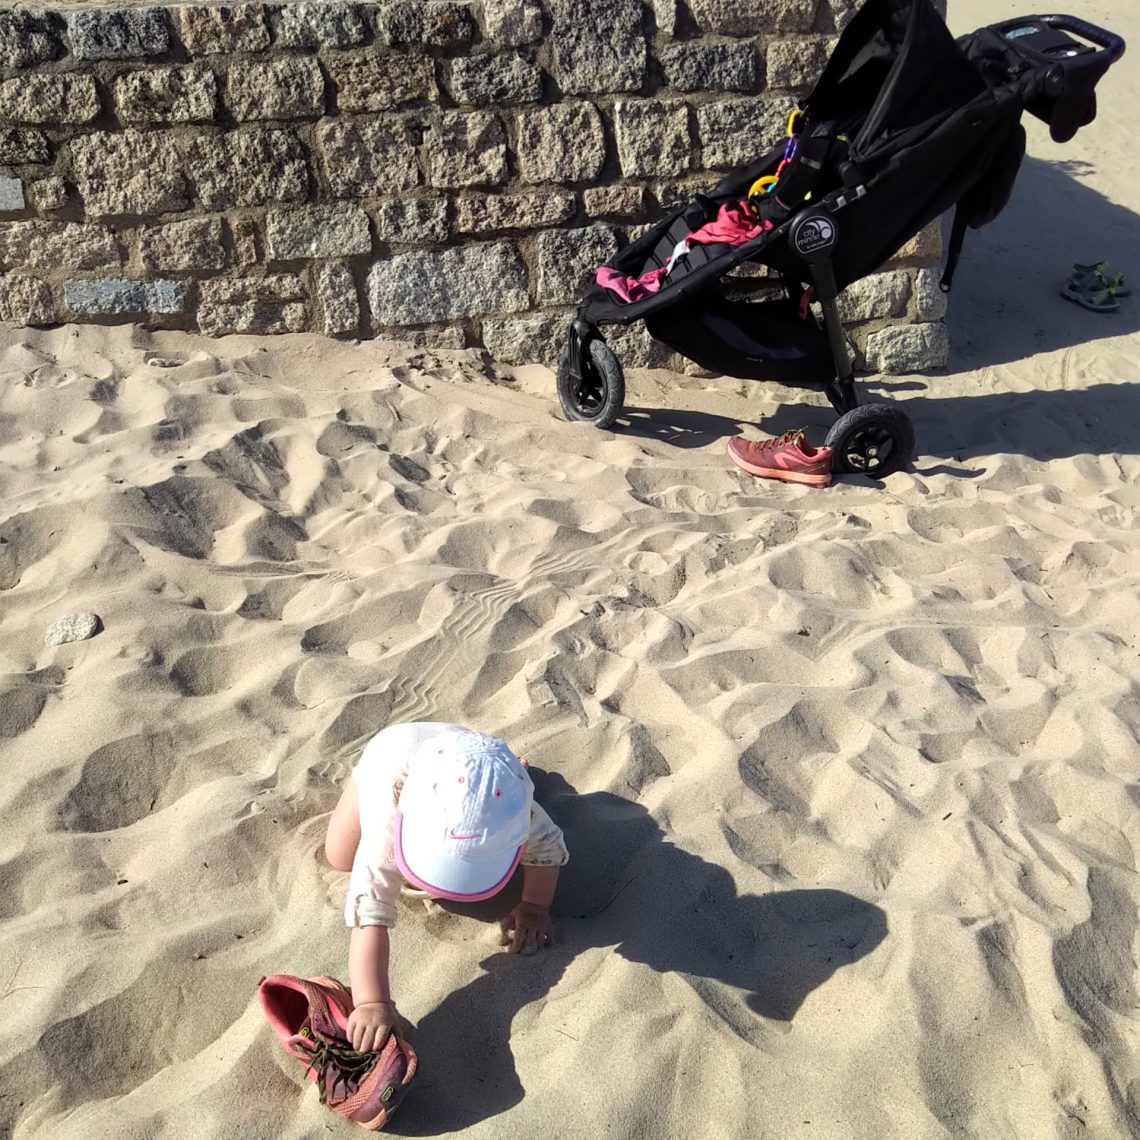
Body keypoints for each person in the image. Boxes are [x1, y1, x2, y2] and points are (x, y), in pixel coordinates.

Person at [324, 722, 568, 1053]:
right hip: (389, 754)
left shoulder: (525, 816)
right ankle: (360, 781)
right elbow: (369, 916)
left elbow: (547, 849)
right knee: (339, 856)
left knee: (485, 794)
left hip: (468, 751)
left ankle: (505, 772)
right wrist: (372, 1002)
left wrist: (535, 907)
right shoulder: (389, 817)